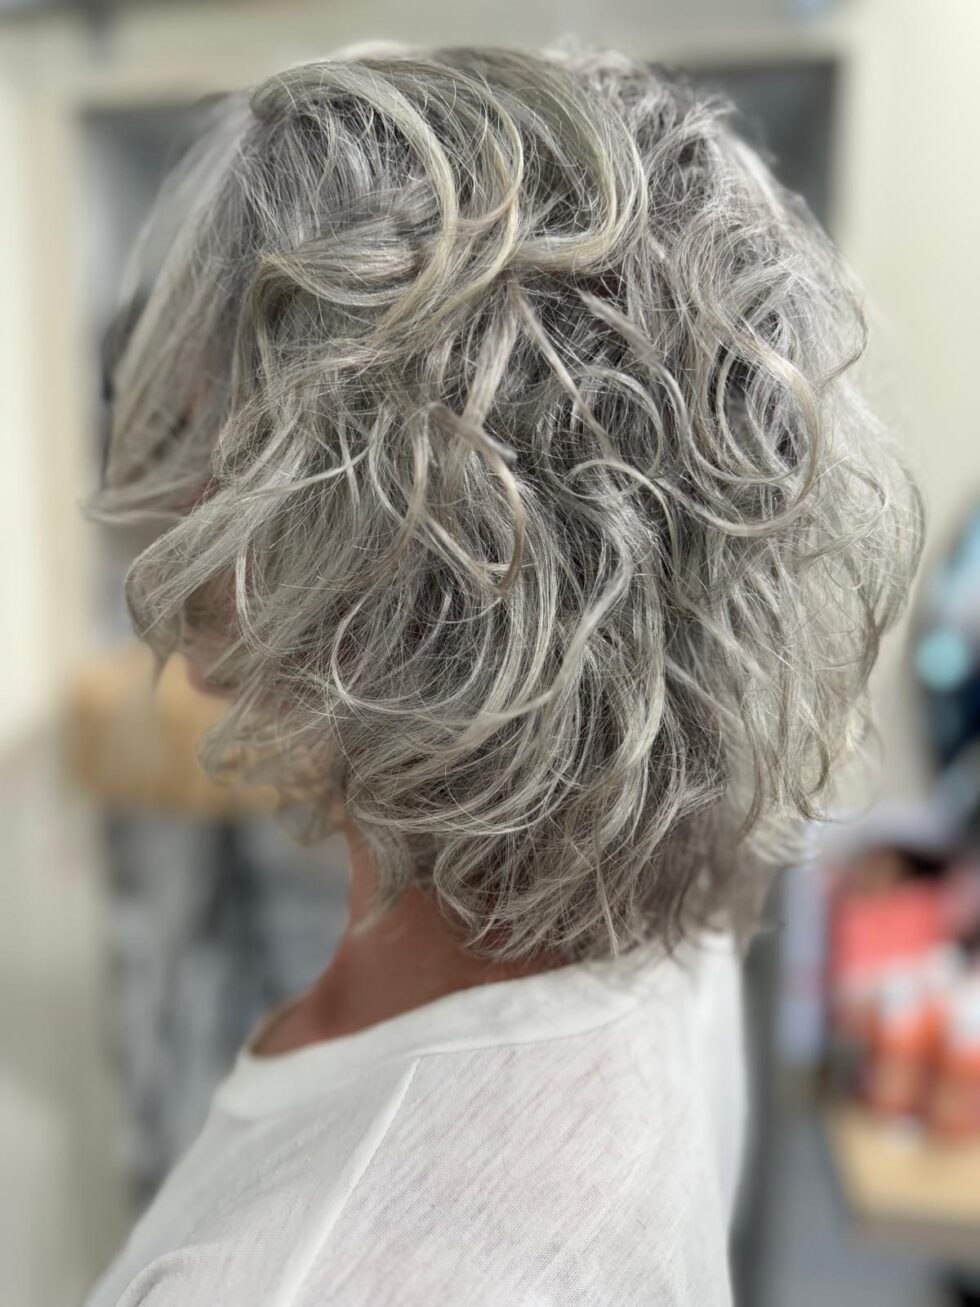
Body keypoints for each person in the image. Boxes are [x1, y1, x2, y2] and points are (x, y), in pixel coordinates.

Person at [83, 44, 922, 1306]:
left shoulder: (302, 1275)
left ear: (362, 550)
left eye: (230, 423)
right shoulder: (668, 943)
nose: (190, 482)